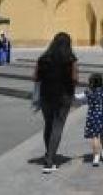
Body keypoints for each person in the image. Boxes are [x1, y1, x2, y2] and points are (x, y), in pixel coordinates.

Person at [34, 32, 78, 173]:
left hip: (46, 95)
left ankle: (49, 154)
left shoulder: (43, 59)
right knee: (57, 127)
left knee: (48, 125)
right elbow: (75, 79)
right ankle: (49, 160)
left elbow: (35, 77)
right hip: (64, 96)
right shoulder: (71, 59)